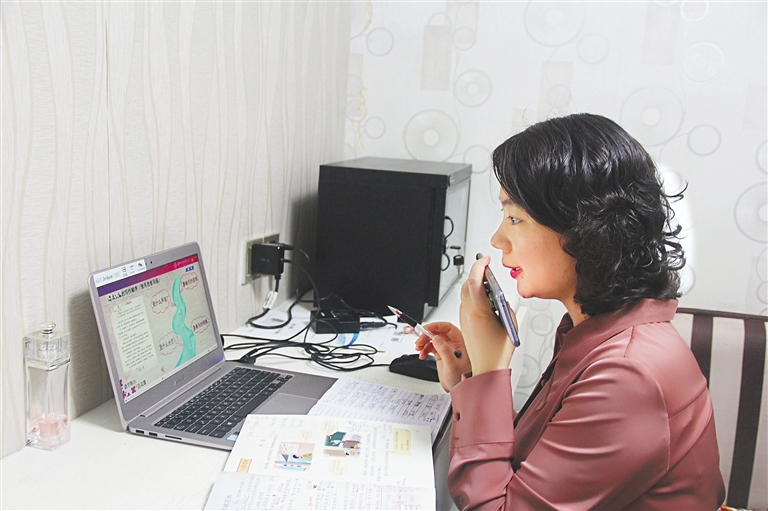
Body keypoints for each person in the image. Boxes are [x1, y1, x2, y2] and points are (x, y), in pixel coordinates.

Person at [416, 113, 725, 510]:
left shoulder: (628, 374)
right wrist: (474, 375)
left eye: (515, 218)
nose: (497, 239)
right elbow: (539, 460)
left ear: (586, 230)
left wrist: (491, 372)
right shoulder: (597, 330)